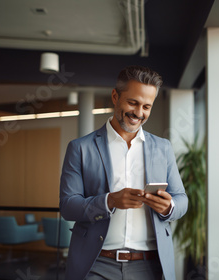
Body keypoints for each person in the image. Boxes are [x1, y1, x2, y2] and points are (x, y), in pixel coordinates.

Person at [59, 65, 188, 280]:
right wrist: (109, 201)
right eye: (133, 103)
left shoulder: (163, 148)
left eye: (147, 106)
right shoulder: (80, 148)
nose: (139, 113)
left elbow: (182, 199)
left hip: (150, 267)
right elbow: (68, 206)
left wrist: (168, 207)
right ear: (115, 96)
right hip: (96, 264)